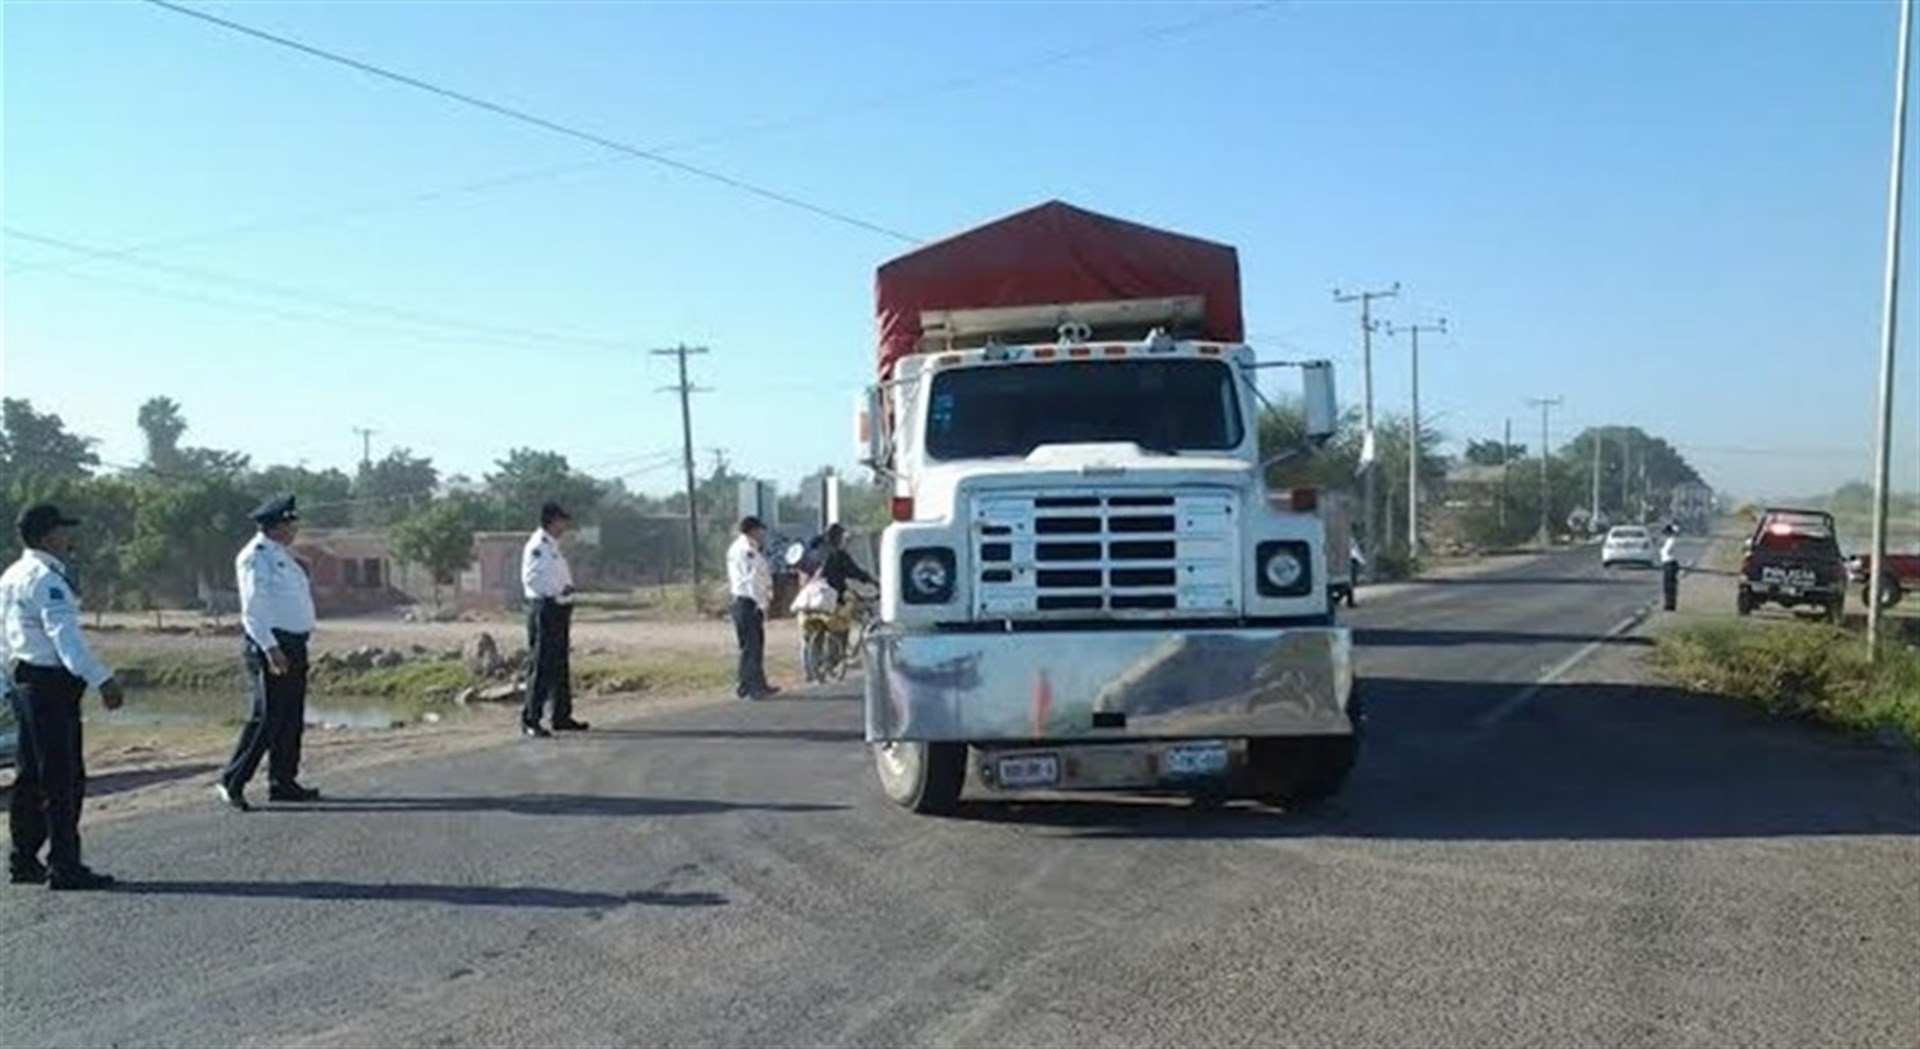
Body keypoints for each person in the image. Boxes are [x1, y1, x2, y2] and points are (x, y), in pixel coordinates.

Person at [2, 504, 126, 891]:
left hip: (23, 680)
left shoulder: (12, 574)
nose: (68, 538)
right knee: (64, 778)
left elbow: (4, 638)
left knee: (30, 775)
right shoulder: (47, 579)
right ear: (47, 536)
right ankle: (65, 865)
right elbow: (67, 642)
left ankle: (23, 859)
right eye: (63, 531)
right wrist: (103, 679)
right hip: (50, 685)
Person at [217, 494, 320, 811]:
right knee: (268, 717)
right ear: (276, 525)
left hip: (294, 642)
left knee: (290, 717)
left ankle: (283, 781)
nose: (295, 528)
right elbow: (253, 608)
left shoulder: (282, 555)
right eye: (291, 523)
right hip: (271, 643)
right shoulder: (256, 555)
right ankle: (232, 779)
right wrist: (270, 647)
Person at [520, 501, 587, 738]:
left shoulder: (553, 546)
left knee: (559, 664)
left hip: (558, 608)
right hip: (545, 608)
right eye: (561, 520)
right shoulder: (538, 546)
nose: (564, 525)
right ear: (551, 520)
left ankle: (561, 715)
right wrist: (558, 592)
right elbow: (534, 580)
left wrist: (565, 591)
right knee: (541, 665)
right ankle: (531, 719)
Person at [726, 516, 777, 699]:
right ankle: (749, 686)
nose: (763, 534)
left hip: (744, 601)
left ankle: (755, 684)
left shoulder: (740, 548)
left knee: (754, 645)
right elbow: (754, 580)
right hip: (748, 602)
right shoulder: (747, 550)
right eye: (761, 530)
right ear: (753, 531)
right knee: (751, 646)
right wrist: (763, 603)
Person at [1660, 523, 1682, 612]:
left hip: (1670, 563)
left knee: (1670, 585)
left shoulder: (1671, 541)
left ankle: (1670, 604)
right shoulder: (1669, 540)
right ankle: (1668, 603)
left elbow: (1667, 551)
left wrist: (1662, 550)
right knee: (1667, 586)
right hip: (1667, 563)